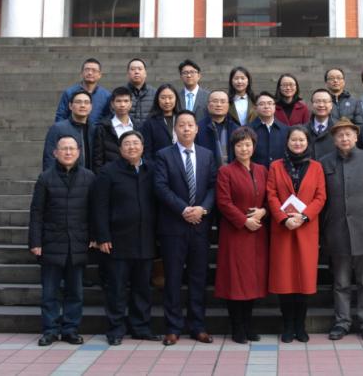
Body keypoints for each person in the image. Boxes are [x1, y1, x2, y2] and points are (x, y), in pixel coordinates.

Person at [153, 110, 217, 346]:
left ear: (197, 129)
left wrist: (203, 209)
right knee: (173, 278)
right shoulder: (163, 155)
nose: (186, 128)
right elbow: (160, 187)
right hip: (173, 226)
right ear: (175, 129)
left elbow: (213, 186)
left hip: (200, 226)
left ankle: (197, 326)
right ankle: (173, 327)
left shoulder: (207, 155)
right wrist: (183, 209)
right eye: (181, 125)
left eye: (190, 125)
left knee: (198, 278)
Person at [92, 130, 160, 345]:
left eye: (136, 143)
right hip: (117, 241)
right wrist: (102, 236)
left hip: (145, 239)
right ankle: (115, 329)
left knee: (142, 288)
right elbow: (99, 207)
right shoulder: (108, 172)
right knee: (117, 289)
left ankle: (141, 327)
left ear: (143, 147)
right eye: (127, 144)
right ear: (120, 149)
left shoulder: (152, 169)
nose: (132, 147)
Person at [28, 136, 96, 346]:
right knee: (50, 292)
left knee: (75, 292)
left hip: (77, 242)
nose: (68, 152)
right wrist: (35, 242)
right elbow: (37, 212)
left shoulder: (89, 178)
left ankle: (70, 329)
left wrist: (94, 237)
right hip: (51, 242)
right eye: (64, 149)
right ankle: (50, 330)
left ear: (78, 152)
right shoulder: (45, 178)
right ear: (55, 153)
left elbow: (95, 212)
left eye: (72, 149)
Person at [319, 118, 363, 341]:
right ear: (334, 139)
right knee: (341, 282)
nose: (344, 138)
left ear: (356, 137)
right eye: (340, 135)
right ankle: (342, 322)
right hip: (336, 230)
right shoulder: (324, 162)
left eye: (348, 134)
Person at [266, 126, 327, 343]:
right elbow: (271, 195)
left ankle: (300, 326)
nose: (298, 143)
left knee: (304, 279)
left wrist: (304, 216)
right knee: (284, 279)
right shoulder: (275, 166)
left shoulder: (316, 167)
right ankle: (288, 326)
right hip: (283, 229)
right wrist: (284, 218)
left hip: (306, 229)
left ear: (307, 142)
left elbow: (320, 197)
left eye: (301, 140)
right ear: (287, 142)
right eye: (294, 140)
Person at [214, 127, 269, 344]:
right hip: (235, 233)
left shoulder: (262, 170)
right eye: (239, 145)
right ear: (233, 148)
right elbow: (224, 202)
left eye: (247, 144)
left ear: (254, 147)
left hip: (257, 234)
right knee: (236, 282)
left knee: (252, 281)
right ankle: (237, 327)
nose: (244, 149)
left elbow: (270, 198)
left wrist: (263, 211)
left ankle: (248, 325)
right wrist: (244, 221)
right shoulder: (226, 171)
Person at [42, 90, 93, 171]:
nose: (82, 105)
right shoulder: (58, 128)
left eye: (86, 102)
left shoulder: (94, 129)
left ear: (91, 107)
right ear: (70, 106)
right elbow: (49, 158)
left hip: (89, 176)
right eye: (78, 102)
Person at [54, 57, 112, 124]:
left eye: (94, 70)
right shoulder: (69, 93)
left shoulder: (107, 96)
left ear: (100, 75)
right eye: (87, 70)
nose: (90, 73)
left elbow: (108, 117)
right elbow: (61, 116)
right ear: (81, 73)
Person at [92, 87, 135, 172]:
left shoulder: (138, 126)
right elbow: (97, 158)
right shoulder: (103, 127)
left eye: (126, 101)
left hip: (133, 173)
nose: (122, 105)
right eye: (118, 101)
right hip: (110, 174)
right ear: (112, 104)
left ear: (131, 104)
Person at [197, 89, 240, 167]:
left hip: (230, 172)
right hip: (205, 170)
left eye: (223, 102)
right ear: (208, 105)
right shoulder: (198, 128)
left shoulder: (236, 129)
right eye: (215, 101)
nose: (219, 105)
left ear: (228, 106)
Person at [249, 91, 288, 167]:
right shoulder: (247, 130)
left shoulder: (285, 130)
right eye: (262, 104)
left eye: (270, 103)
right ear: (255, 108)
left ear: (275, 106)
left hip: (279, 172)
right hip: (255, 172)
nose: (266, 106)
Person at [139, 83, 179, 155]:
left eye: (170, 97)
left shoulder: (182, 119)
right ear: (157, 99)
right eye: (163, 98)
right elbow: (147, 151)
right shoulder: (150, 123)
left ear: (176, 99)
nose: (167, 101)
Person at [306, 88, 336, 160]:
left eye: (325, 101)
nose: (321, 105)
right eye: (317, 101)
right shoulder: (303, 130)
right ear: (311, 105)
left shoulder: (338, 129)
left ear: (331, 105)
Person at [126, 58, 156, 128]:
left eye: (140, 69)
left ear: (145, 73)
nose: (136, 72)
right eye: (133, 69)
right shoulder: (120, 93)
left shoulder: (155, 93)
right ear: (128, 74)